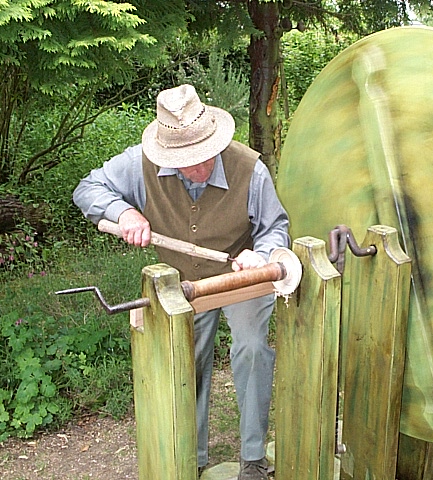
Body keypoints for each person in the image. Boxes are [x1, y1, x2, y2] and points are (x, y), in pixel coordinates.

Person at [73, 84, 289, 480]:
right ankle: (194, 454)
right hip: (181, 281)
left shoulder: (249, 167)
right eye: (187, 161)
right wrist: (123, 213)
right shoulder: (137, 164)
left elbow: (276, 228)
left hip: (240, 273)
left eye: (205, 157)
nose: (199, 168)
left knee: (252, 349)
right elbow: (87, 189)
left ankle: (254, 458)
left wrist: (260, 255)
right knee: (187, 361)